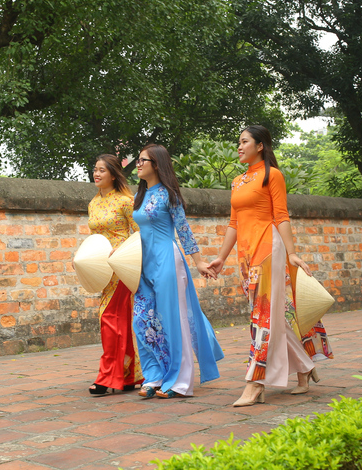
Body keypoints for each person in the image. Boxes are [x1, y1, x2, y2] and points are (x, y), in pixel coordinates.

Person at [208, 125, 333, 407]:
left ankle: (256, 383)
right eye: (238, 142)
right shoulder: (237, 181)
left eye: (244, 142)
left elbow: (281, 216)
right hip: (246, 256)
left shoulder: (272, 175)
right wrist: (221, 257)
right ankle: (304, 367)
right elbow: (234, 223)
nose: (239, 147)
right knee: (270, 316)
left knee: (262, 318)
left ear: (260, 145)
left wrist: (292, 253)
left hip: (269, 250)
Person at [132, 144, 224, 399]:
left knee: (173, 321)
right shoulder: (139, 196)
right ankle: (155, 375)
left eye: (143, 160)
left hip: (167, 262)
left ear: (157, 164)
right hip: (143, 264)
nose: (138, 164)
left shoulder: (169, 195)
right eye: (138, 160)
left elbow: (183, 229)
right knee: (142, 320)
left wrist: (198, 262)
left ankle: (180, 382)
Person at [87, 154, 144, 395]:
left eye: (102, 170)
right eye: (95, 169)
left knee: (110, 317)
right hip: (102, 268)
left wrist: (124, 252)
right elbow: (94, 236)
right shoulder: (93, 203)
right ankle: (129, 375)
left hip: (121, 266)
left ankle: (107, 376)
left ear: (113, 174)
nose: (97, 173)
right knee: (116, 319)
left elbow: (141, 232)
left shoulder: (125, 201)